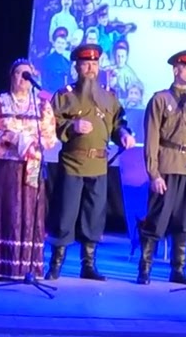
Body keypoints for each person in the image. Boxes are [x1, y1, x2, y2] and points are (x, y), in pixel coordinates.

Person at [46, 43, 136, 281]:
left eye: (94, 64)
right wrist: (71, 126)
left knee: (94, 216)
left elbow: (118, 123)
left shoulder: (109, 96)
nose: (91, 68)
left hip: (99, 165)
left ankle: (88, 265)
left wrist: (123, 134)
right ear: (77, 67)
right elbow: (50, 124)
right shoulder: (64, 96)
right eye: (86, 64)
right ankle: (55, 264)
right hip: (72, 162)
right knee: (65, 214)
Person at [137, 49, 186, 285]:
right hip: (167, 167)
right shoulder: (160, 100)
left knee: (183, 221)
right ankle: (145, 267)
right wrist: (154, 173)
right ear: (175, 69)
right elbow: (151, 139)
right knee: (156, 219)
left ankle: (178, 269)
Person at [0, 59, 57, 279]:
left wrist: (31, 143)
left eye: (27, 75)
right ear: (11, 76)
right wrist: (8, 136)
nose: (23, 78)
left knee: (29, 214)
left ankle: (25, 266)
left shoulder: (42, 105)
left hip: (31, 166)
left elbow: (50, 138)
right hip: (2, 165)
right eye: (19, 74)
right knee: (1, 212)